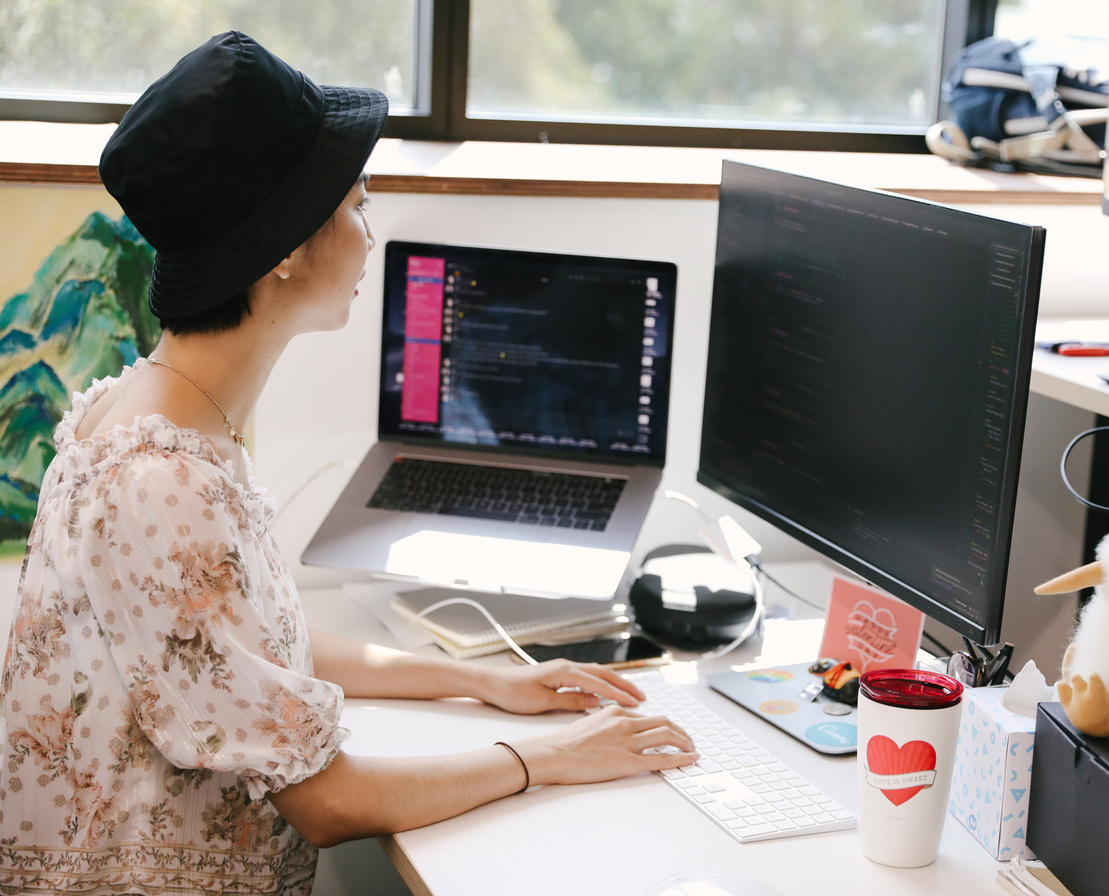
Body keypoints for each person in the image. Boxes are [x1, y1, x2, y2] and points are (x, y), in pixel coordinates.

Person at [0, 32, 696, 896]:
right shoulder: (161, 480)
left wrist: (489, 682)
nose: (371, 237)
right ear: (284, 249)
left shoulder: (154, 411)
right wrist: (548, 758)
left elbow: (256, 651)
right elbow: (326, 803)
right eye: (358, 205)